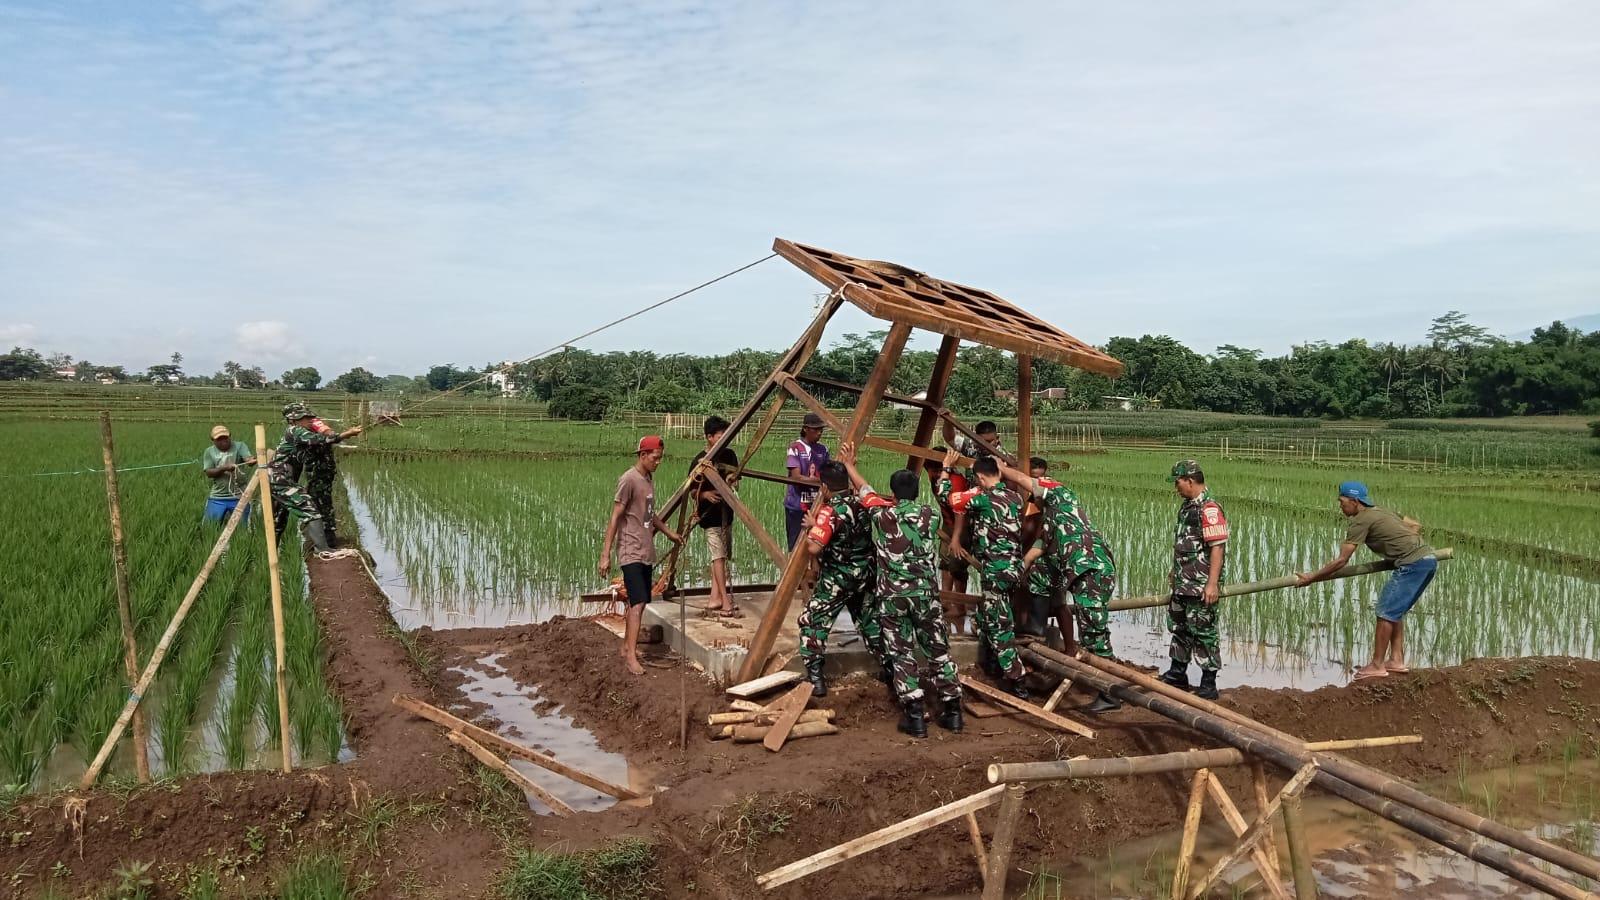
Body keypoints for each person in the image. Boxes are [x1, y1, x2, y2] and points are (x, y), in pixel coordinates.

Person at [838, 442, 962, 737]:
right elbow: (945, 499)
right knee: (938, 651)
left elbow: (864, 489)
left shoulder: (882, 514)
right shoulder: (930, 517)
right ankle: (954, 711)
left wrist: (848, 464)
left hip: (894, 598)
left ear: (892, 494)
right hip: (926, 596)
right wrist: (946, 469)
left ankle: (915, 716)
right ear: (917, 494)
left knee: (902, 653)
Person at [1001, 460, 1121, 713]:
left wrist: (999, 467)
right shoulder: (1050, 524)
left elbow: (1024, 480)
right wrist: (1012, 575)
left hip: (1093, 572)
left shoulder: (1061, 495)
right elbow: (1033, 555)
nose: (1035, 501)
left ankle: (1109, 694)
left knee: (1093, 634)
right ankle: (1035, 634)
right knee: (1038, 575)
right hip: (1077, 574)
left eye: (1036, 497)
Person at [1296, 481, 1437, 682]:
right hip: (1428, 560)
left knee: (1385, 612)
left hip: (1412, 565)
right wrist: (1400, 546)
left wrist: (1311, 577)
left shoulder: (1360, 520)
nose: (1340, 505)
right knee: (1395, 611)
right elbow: (1414, 525)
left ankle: (1377, 665)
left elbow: (1341, 561)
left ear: (1354, 501)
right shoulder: (1383, 511)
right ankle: (1396, 660)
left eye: (1341, 501)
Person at [936, 448, 1029, 699]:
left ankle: (1017, 678)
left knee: (999, 626)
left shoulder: (983, 498)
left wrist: (946, 469)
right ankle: (992, 665)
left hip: (996, 571)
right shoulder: (1016, 498)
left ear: (979, 478)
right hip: (1013, 568)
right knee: (993, 616)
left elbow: (948, 498)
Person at [797, 461, 886, 697]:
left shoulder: (830, 511)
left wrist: (811, 527)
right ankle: (890, 669)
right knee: (871, 621)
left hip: (838, 578)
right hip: (865, 574)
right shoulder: (863, 503)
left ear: (824, 487)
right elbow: (866, 487)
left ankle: (816, 678)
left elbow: (814, 548)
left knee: (812, 621)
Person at [598, 435, 683, 676]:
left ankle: (627, 647)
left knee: (643, 601)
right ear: (643, 455)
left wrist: (669, 533)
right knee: (636, 604)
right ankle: (631, 656)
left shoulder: (648, 479)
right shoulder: (629, 480)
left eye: (661, 458)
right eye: (655, 458)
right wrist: (605, 555)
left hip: (645, 549)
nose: (658, 462)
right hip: (630, 549)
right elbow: (615, 517)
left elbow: (650, 515)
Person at [1161, 459, 1229, 700]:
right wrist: (1175, 571)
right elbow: (1184, 543)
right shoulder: (1187, 506)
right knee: (1180, 628)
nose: (1176, 487)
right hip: (1183, 582)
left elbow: (1217, 548)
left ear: (1190, 481)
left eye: (1178, 482)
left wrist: (1212, 584)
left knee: (1204, 632)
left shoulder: (1209, 509)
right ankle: (1177, 674)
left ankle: (1208, 684)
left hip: (1200, 585)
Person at [269, 403, 360, 553]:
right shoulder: (295, 431)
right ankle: (322, 549)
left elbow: (321, 440)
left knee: (279, 520)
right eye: (305, 418)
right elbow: (320, 440)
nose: (309, 420)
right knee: (310, 509)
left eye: (309, 417)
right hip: (280, 479)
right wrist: (345, 434)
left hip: (281, 479)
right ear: (294, 420)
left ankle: (272, 554)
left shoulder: (298, 431)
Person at [690, 416, 739, 617]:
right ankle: (725, 601)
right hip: (709, 517)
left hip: (727, 514)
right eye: (721, 435)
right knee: (717, 557)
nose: (724, 438)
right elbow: (692, 490)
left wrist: (732, 481)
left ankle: (714, 597)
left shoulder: (730, 455)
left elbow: (736, 478)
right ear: (710, 437)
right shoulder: (700, 460)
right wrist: (705, 494)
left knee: (723, 556)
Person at [924, 448, 971, 635]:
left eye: (938, 470)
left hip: (963, 525)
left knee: (958, 565)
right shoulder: (934, 478)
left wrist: (957, 538)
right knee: (944, 563)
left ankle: (959, 607)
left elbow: (961, 512)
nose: (935, 474)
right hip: (948, 523)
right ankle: (945, 603)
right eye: (931, 470)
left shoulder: (955, 481)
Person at [784, 413, 830, 549]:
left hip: (817, 504)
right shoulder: (795, 448)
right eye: (815, 429)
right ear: (805, 429)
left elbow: (828, 474)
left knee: (817, 542)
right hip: (797, 505)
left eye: (821, 430)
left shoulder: (823, 450)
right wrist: (820, 480)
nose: (819, 433)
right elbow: (796, 477)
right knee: (796, 545)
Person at [201, 425, 255, 524]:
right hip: (217, 497)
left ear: (230, 436)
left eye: (225, 437)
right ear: (213, 440)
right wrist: (224, 468)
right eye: (219, 439)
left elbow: (248, 459)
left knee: (243, 528)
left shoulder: (240, 446)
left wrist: (250, 460)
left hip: (240, 496)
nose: (223, 441)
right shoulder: (209, 452)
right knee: (210, 527)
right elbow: (209, 472)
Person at [301, 414, 341, 544]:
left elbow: (328, 433)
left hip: (321, 471)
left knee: (322, 501)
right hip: (316, 471)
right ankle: (321, 534)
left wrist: (332, 434)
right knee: (317, 499)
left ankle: (327, 535)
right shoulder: (301, 428)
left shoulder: (314, 424)